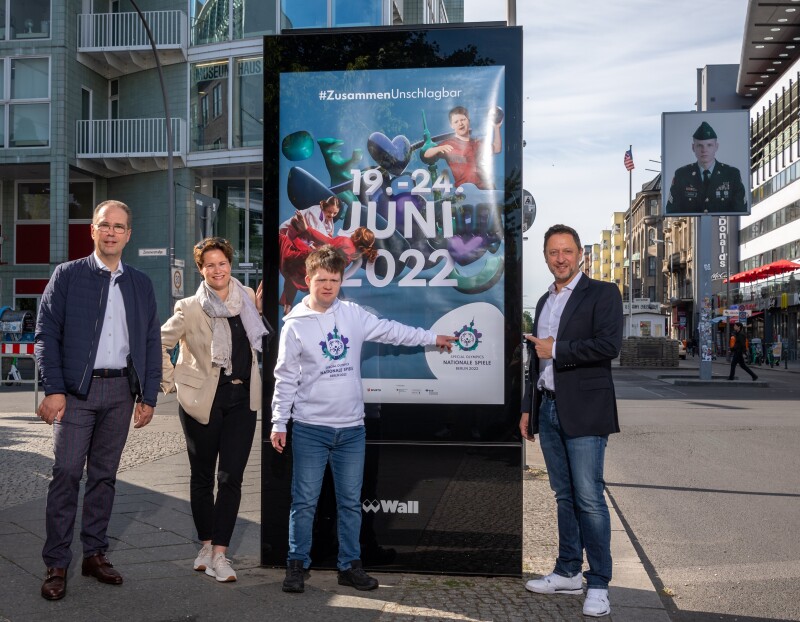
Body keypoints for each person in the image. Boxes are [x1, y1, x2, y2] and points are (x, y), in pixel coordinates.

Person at [270, 245, 455, 594]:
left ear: (342, 281)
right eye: (321, 280)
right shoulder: (294, 325)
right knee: (304, 502)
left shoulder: (353, 315)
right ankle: (296, 565)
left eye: (334, 280)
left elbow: (392, 331)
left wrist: (433, 338)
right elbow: (285, 376)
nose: (328, 286)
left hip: (352, 430)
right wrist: (280, 422)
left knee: (351, 503)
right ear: (308, 279)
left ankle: (350, 566)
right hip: (310, 428)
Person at [34, 199, 161, 601]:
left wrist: (149, 395)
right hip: (75, 393)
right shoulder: (68, 275)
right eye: (105, 225)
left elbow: (150, 342)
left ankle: (95, 553)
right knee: (67, 473)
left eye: (119, 227)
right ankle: (56, 562)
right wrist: (53, 388)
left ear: (128, 235)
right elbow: (45, 336)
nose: (111, 232)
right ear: (92, 229)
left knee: (105, 477)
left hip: (122, 391)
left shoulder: (140, 282)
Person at [518, 224, 623, 618]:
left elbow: (609, 345)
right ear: (545, 257)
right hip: (547, 407)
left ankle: (598, 582)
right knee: (563, 496)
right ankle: (567, 572)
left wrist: (557, 348)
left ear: (579, 254)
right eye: (552, 252)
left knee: (590, 498)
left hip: (585, 410)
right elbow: (536, 361)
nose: (559, 258)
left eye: (566, 251)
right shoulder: (545, 301)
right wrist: (529, 408)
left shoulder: (603, 293)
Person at [160, 237, 269, 582]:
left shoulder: (247, 298)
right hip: (201, 402)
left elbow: (258, 338)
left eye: (222, 263)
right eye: (210, 265)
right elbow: (157, 342)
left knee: (231, 478)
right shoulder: (189, 307)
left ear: (230, 264)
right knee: (203, 477)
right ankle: (205, 545)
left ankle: (220, 554)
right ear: (201, 269)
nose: (217, 270)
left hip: (242, 400)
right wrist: (173, 381)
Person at [278, 217, 378, 315]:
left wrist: (307, 229)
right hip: (324, 273)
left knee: (287, 244)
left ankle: (288, 307)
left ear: (356, 235)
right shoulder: (355, 255)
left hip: (314, 265)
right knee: (294, 279)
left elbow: (325, 241)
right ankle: (288, 307)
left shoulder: (346, 242)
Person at [665, 121, 747, 215]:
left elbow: (741, 210)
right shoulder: (682, 175)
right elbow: (672, 211)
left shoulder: (732, 174)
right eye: (700, 145)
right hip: (694, 228)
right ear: (693, 147)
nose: (704, 150)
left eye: (709, 145)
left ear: (716, 147)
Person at [422, 105, 503, 190]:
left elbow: (497, 148)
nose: (460, 123)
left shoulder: (477, 143)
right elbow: (426, 154)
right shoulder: (449, 144)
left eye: (463, 120)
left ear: (468, 121)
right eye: (456, 122)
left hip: (487, 190)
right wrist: (438, 148)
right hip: (466, 192)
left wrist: (496, 128)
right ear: (451, 125)